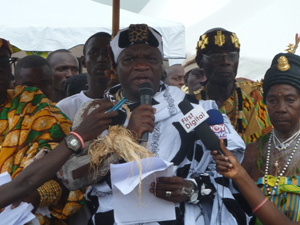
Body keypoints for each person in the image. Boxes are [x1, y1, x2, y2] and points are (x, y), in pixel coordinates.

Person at [60, 24, 248, 225]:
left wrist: (191, 188)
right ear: (114, 67)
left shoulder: (195, 110)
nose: (141, 66)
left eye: (150, 59)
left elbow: (231, 173)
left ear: (161, 66)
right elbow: (70, 176)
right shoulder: (97, 112)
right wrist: (126, 139)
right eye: (130, 59)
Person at [239, 47, 300, 223]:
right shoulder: (252, 151)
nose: (280, 108)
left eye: (290, 100)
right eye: (273, 100)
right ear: (265, 103)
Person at [194, 28, 272, 144]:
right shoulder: (192, 104)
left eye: (232, 55)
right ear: (200, 61)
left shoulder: (255, 96)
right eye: (215, 56)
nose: (225, 61)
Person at [56, 32, 111, 122]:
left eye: (107, 53)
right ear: (83, 61)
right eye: (94, 53)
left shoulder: (126, 104)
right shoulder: (65, 107)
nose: (101, 59)